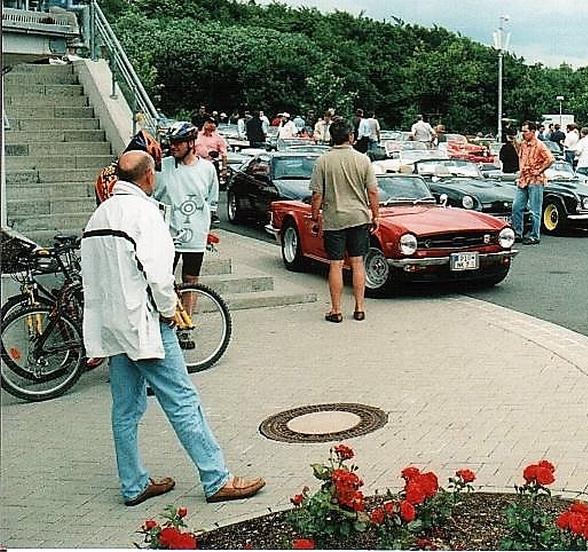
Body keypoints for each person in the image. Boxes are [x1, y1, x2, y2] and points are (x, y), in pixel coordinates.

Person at [81, 150, 265, 507]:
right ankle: (217, 478)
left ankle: (134, 484)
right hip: (146, 322)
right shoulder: (145, 213)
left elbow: (94, 276)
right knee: (183, 400)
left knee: (125, 408)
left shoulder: (100, 215)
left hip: (115, 326)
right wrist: (169, 310)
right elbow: (160, 276)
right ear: (149, 176)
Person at [310, 119, 380, 322]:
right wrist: (375, 215)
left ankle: (336, 310)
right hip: (359, 217)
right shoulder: (363, 160)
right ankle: (359, 308)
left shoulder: (323, 161)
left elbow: (317, 194)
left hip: (334, 219)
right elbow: (373, 191)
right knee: (358, 263)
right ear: (350, 137)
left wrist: (315, 217)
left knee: (336, 264)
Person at [153, 123, 219, 287]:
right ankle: (168, 313)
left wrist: (205, 230)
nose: (173, 146)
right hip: (167, 237)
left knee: (191, 281)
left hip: (194, 237)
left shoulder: (207, 169)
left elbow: (210, 203)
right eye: (171, 142)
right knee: (163, 280)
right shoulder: (161, 166)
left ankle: (187, 314)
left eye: (178, 142)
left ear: (190, 143)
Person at [511, 121, 555, 245]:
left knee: (535, 209)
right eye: (523, 131)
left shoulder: (540, 145)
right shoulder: (523, 145)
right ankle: (518, 232)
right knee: (517, 206)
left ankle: (535, 235)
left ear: (533, 131)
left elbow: (550, 159)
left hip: (535, 180)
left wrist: (539, 170)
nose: (523, 134)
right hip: (524, 179)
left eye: (525, 131)